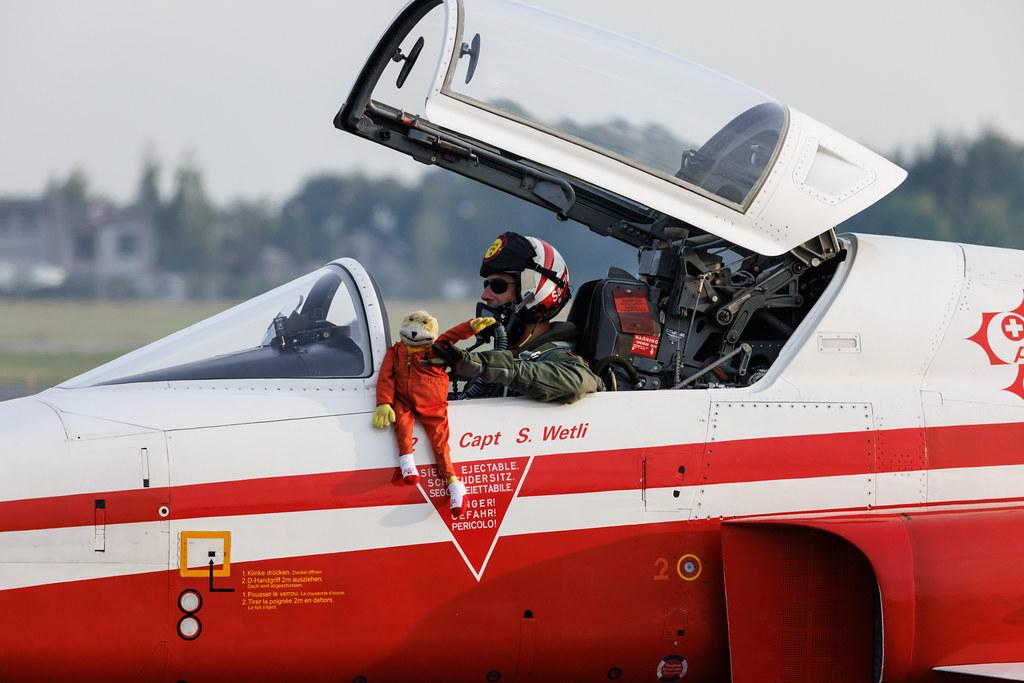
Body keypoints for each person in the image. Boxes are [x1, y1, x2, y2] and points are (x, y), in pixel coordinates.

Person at [432, 232, 603, 403]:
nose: (485, 295)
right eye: (486, 285)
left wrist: (493, 367)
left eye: (498, 286)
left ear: (534, 293)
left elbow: (578, 380)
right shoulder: (501, 364)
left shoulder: (558, 357)